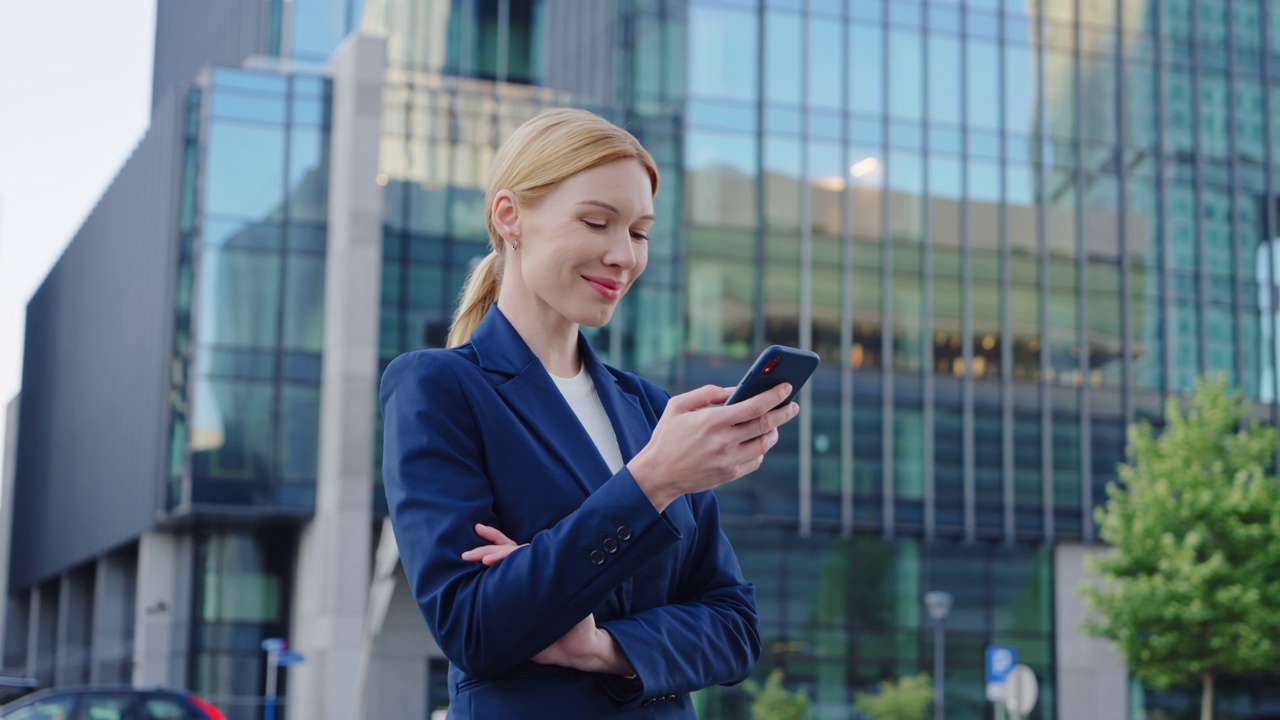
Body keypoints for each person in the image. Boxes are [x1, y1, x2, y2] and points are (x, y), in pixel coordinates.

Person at [380, 108, 799, 718]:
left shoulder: (654, 412)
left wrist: (603, 647)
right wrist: (652, 481)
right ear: (510, 216)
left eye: (640, 232)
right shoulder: (440, 388)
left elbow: (735, 630)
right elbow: (474, 626)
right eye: (598, 222)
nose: (624, 256)